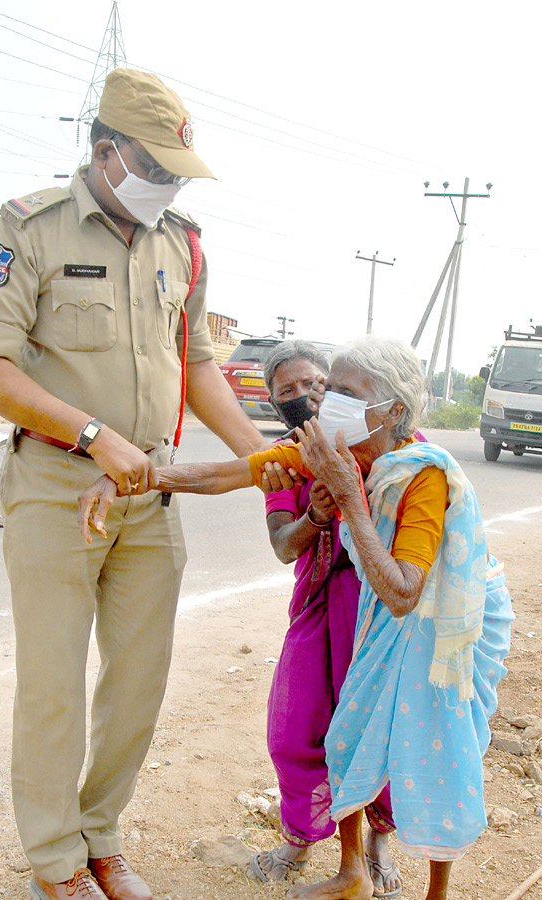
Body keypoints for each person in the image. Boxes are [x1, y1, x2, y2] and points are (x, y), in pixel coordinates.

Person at [0, 68, 268, 900]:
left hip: (150, 494)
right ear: (106, 152)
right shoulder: (31, 229)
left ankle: (101, 834)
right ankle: (55, 858)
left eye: (178, 173)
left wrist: (268, 460)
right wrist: (94, 437)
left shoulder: (183, 243)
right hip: (58, 487)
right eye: (156, 169)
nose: (167, 186)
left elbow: (198, 364)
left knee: (138, 680)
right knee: (54, 686)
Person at [79, 337, 512, 900]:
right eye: (328, 389)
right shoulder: (324, 448)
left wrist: (347, 493)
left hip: (437, 626)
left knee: (433, 748)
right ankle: (352, 872)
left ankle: (436, 890)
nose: (324, 402)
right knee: (348, 734)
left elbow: (404, 592)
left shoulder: (421, 472)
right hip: (363, 616)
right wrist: (131, 478)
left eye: (343, 393)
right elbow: (222, 475)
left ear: (393, 411)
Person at [249, 341, 400, 896]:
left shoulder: (384, 444)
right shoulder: (282, 462)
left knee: (379, 728)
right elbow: (284, 545)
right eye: (287, 391)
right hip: (318, 607)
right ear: (273, 403)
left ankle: (378, 843)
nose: (304, 397)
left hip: (380, 608)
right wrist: (316, 513)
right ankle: (300, 837)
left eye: (315, 384)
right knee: (296, 728)